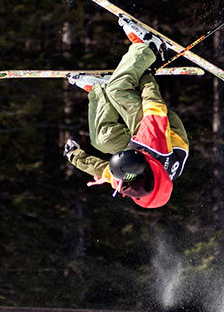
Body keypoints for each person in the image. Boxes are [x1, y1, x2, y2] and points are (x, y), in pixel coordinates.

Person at [63, 17, 190, 209]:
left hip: (147, 148)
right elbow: (154, 106)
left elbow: (105, 171)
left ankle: (99, 89)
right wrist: (146, 73)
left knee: (102, 141)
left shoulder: (127, 179)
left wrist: (75, 157)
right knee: (118, 89)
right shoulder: (153, 144)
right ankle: (149, 48)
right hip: (168, 132)